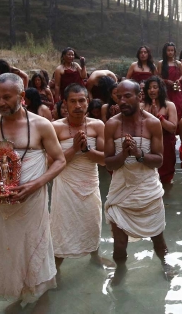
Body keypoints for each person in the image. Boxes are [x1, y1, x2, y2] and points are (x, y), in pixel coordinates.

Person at [0, 73, 66, 311]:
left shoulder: (41, 125)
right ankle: (19, 294)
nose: (1, 102)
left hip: (33, 202)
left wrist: (35, 185)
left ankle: (41, 298)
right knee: (9, 251)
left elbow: (59, 160)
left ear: (22, 96)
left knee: (36, 249)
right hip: (2, 206)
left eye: (7, 96)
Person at [103, 80, 172, 285]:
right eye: (119, 96)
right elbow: (109, 163)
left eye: (127, 96)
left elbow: (159, 160)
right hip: (121, 190)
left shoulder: (152, 123)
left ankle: (165, 264)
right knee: (119, 246)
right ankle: (120, 272)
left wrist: (139, 153)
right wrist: (124, 153)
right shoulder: (112, 124)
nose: (122, 100)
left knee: (158, 239)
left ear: (139, 96)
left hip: (147, 189)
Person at [51, 84, 114, 279]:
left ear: (87, 102)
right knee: (61, 229)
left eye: (82, 100)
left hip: (90, 182)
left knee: (92, 223)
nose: (78, 105)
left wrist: (86, 150)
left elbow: (104, 161)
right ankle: (54, 267)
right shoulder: (55, 127)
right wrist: (74, 148)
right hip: (65, 186)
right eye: (73, 101)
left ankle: (94, 256)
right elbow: (50, 163)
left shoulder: (97, 126)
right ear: (65, 103)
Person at [142, 76, 178, 187]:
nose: (151, 90)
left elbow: (172, 128)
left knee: (166, 178)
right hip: (147, 143)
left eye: (155, 87)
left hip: (166, 144)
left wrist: (158, 117)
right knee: (147, 176)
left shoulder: (169, 106)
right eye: (149, 88)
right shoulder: (142, 106)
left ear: (161, 89)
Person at [158, 42, 182, 119]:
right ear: (165, 51)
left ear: (174, 52)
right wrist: (166, 81)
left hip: (176, 89)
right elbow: (158, 77)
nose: (170, 52)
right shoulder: (161, 63)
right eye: (168, 50)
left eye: (172, 50)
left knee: (178, 106)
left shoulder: (178, 63)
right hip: (165, 89)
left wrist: (179, 80)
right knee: (165, 107)